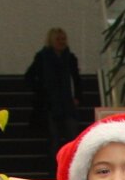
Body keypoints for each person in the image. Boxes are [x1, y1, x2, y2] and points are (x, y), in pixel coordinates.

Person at [24, 26, 83, 159]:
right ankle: (54, 170)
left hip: (68, 103)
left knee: (72, 140)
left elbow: (76, 79)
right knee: (54, 140)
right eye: (58, 39)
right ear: (51, 40)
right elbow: (29, 77)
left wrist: (77, 97)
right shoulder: (42, 58)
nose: (61, 42)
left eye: (63, 39)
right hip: (50, 105)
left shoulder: (70, 58)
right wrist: (41, 92)